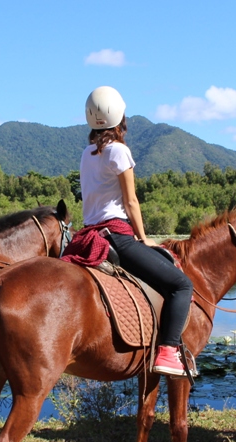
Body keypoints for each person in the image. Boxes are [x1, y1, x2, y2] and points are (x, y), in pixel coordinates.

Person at [65, 86, 194, 377]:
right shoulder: (119, 151)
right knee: (181, 285)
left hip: (89, 233)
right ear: (120, 116)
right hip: (117, 235)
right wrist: (144, 237)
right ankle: (169, 350)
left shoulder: (87, 153)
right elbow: (131, 200)